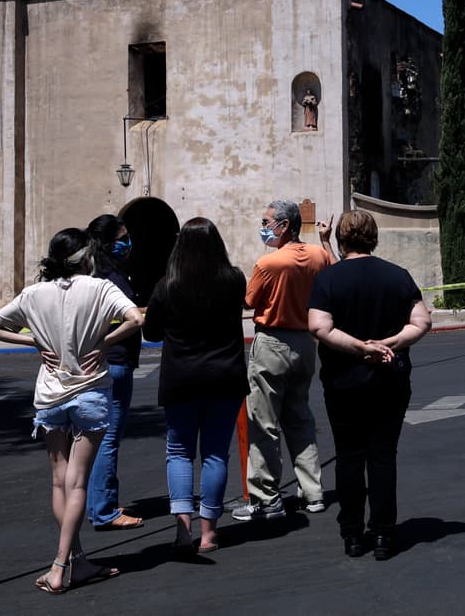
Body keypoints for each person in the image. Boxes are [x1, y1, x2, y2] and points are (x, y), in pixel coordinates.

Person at [0, 229, 143, 595]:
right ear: (87, 256)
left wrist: (33, 341)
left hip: (50, 394)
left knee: (59, 481)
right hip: (89, 391)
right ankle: (60, 565)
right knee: (79, 481)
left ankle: (76, 560)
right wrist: (105, 342)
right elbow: (135, 319)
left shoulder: (34, 294)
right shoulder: (100, 288)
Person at [308, 209, 431, 560]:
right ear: (374, 237)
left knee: (348, 456)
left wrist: (362, 348)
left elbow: (320, 327)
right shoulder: (398, 276)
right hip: (390, 378)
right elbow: (421, 321)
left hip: (343, 380)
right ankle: (383, 533)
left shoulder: (329, 280)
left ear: (342, 239)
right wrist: (389, 343)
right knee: (382, 456)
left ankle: (352, 534)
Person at [142, 218, 249, 554]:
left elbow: (151, 333)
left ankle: (182, 528)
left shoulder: (167, 285)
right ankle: (209, 533)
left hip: (181, 377)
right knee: (216, 453)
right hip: (225, 375)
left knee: (179, 452)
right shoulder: (233, 280)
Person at [232, 199, 336, 521]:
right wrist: (325, 240)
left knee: (264, 423)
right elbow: (334, 275)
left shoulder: (269, 263)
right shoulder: (318, 256)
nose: (264, 228)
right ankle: (313, 492)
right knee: (300, 419)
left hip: (273, 343)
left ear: (284, 225)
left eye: (267, 222)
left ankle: (266, 497)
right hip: (305, 343)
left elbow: (249, 301)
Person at [85, 214, 144, 532]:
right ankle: (105, 509)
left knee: (100, 435)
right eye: (123, 238)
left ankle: (99, 504)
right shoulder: (111, 278)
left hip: (108, 362)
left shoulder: (96, 272)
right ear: (109, 243)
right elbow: (127, 319)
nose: (128, 243)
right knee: (109, 436)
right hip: (116, 363)